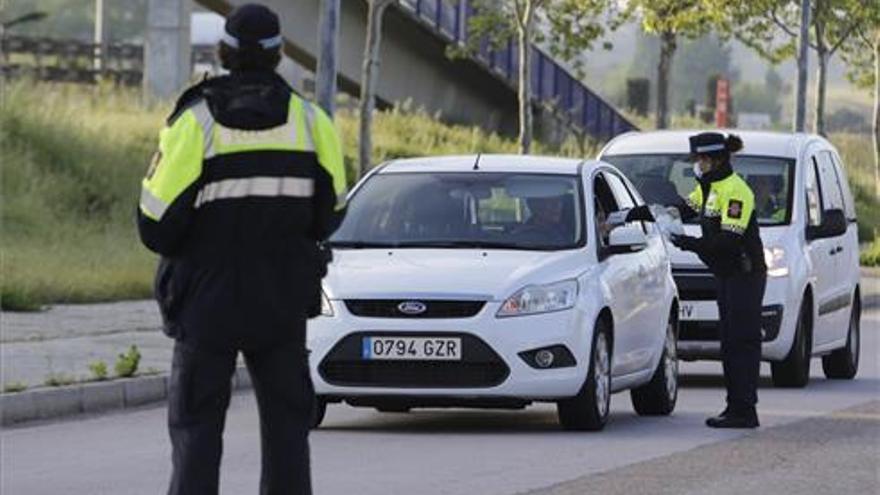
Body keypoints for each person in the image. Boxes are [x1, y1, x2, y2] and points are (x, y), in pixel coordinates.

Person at [136, 4, 347, 494]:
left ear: (224, 52)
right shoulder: (313, 124)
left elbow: (154, 226)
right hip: (281, 302)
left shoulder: (195, 123)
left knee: (196, 429)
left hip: (205, 302)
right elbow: (331, 215)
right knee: (287, 428)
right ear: (278, 58)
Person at [627, 132, 766, 428]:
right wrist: (636, 214)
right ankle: (735, 407)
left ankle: (745, 410)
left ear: (713, 160)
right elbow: (680, 209)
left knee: (742, 342)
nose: (696, 165)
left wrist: (687, 243)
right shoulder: (710, 189)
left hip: (745, 275)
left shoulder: (736, 191)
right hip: (728, 274)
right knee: (729, 342)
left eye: (700, 160)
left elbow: (729, 241)